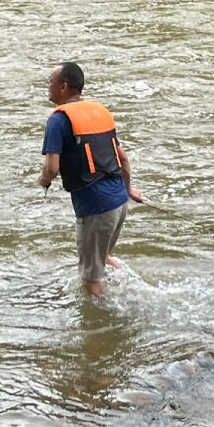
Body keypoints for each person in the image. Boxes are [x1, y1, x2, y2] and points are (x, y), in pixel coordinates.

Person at [38, 61, 144, 296]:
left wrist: (44, 180)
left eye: (51, 81)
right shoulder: (100, 112)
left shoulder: (58, 120)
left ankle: (109, 324)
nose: (48, 85)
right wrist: (129, 190)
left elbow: (52, 169)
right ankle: (129, 287)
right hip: (119, 202)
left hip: (96, 209)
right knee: (102, 257)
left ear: (63, 86)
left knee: (90, 281)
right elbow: (123, 159)